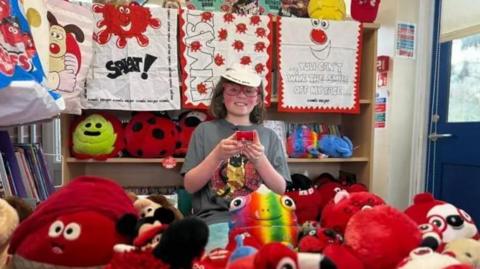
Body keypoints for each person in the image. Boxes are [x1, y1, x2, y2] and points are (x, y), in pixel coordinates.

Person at [180, 63, 290, 250]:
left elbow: (280, 189)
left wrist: (259, 160)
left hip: (260, 219)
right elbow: (190, 186)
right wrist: (217, 155)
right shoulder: (204, 131)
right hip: (215, 220)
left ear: (258, 99)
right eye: (233, 90)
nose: (241, 96)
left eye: (249, 91)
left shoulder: (270, 136)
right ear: (222, 96)